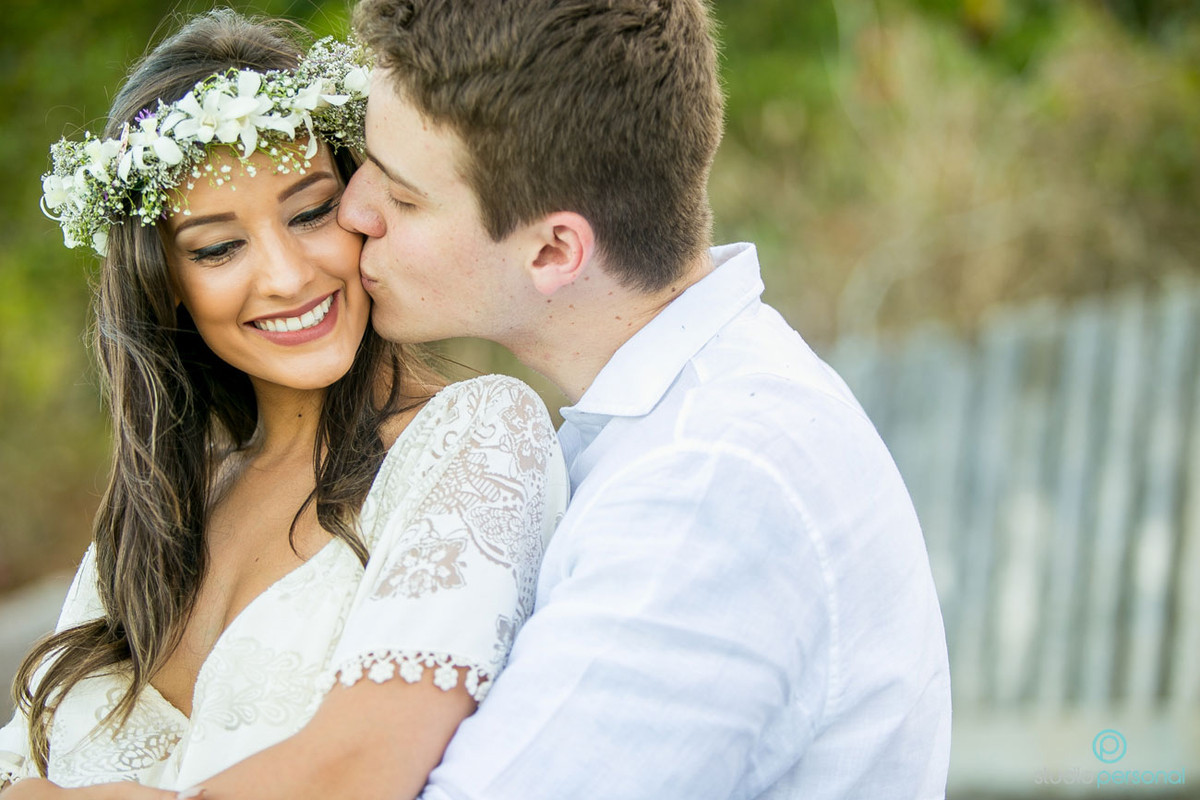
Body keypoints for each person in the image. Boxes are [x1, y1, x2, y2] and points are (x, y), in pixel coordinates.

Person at [337, 0, 952, 798]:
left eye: (403, 199)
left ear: (554, 250)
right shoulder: (687, 419)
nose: (353, 211)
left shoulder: (708, 487)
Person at [0, 10, 566, 799]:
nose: (288, 276)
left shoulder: (476, 435)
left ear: (363, 205)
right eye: (217, 247)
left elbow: (363, 768)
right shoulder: (152, 516)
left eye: (310, 213)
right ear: (165, 281)